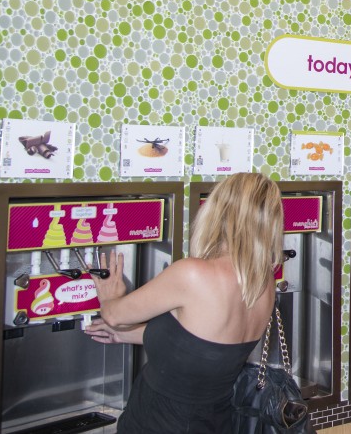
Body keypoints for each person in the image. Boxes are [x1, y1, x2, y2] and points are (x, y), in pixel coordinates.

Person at [86, 172, 283, 433]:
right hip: (215, 422)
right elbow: (203, 347)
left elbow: (113, 315)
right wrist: (128, 336)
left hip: (161, 423)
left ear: (218, 211)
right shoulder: (264, 281)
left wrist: (111, 294)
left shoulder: (194, 273)